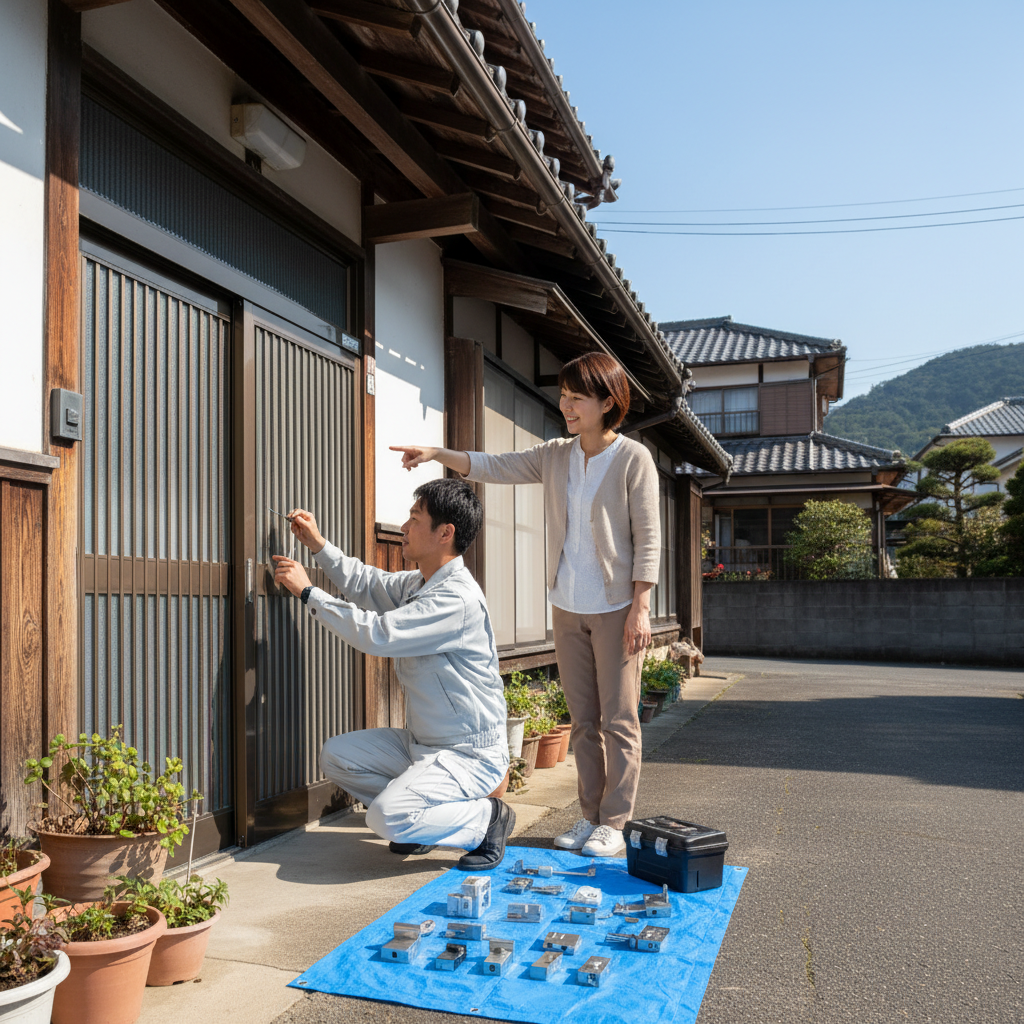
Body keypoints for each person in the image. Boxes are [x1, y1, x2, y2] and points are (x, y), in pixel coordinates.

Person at [391, 352, 660, 857]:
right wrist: (436, 452)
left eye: (577, 397)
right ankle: (588, 817)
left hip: (616, 606)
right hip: (566, 604)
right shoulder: (556, 453)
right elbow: (494, 465)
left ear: (607, 402)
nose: (566, 405)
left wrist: (641, 605)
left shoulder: (633, 459)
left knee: (619, 720)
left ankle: (615, 824)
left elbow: (648, 535)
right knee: (582, 720)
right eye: (564, 395)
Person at [271, 478, 514, 870]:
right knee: (336, 756)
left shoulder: (455, 598)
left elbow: (378, 634)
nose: (404, 527)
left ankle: (486, 820)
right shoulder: (420, 583)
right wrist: (317, 544)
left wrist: (308, 593)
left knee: (384, 816)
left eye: (414, 518)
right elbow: (367, 583)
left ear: (445, 533)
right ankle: (423, 825)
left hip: (468, 754)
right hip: (424, 746)